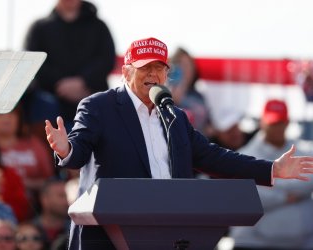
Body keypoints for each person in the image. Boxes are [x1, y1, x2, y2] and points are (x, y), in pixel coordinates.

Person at [45, 37, 313, 250]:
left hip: (167, 233)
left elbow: (212, 156)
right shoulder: (99, 106)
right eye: (144, 68)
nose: (153, 74)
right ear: (126, 72)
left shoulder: (174, 114)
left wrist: (271, 169)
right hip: (111, 235)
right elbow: (78, 150)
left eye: (159, 68)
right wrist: (65, 148)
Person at [229, 99, 313, 250]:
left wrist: (268, 182)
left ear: (287, 122)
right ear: (262, 122)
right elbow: (249, 196)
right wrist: (286, 195)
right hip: (252, 242)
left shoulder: (306, 151)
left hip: (299, 242)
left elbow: (307, 182)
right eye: (271, 122)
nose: (275, 127)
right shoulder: (244, 155)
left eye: (279, 122)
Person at [24, 0, 116, 131]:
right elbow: (33, 63)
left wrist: (83, 81)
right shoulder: (39, 28)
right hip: (51, 104)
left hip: (90, 97)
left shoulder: (99, 27)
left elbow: (106, 60)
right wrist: (60, 84)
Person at [166, 47, 212, 136]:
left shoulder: (198, 96)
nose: (187, 70)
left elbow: (208, 124)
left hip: (200, 144)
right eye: (182, 65)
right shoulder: (166, 94)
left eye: (189, 65)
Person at [32, 178, 70, 248]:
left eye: (68, 196)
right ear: (45, 199)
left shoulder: (75, 231)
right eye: (61, 196)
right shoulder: (29, 231)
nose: (66, 201)